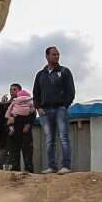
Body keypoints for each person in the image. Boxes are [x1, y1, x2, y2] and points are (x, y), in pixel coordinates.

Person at [33, 46, 76, 174]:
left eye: (58, 54)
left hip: (60, 108)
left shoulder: (64, 71)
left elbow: (71, 90)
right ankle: (52, 166)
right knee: (49, 140)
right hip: (45, 111)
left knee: (63, 137)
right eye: (54, 54)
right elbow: (36, 93)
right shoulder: (40, 75)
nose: (56, 56)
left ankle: (66, 166)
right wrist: (38, 107)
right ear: (47, 56)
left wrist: (65, 105)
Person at [6, 84, 36, 172]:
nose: (12, 92)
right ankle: (15, 171)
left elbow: (32, 114)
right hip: (13, 131)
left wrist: (28, 124)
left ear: (20, 91)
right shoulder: (9, 104)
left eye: (14, 89)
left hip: (25, 130)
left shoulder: (28, 101)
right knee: (14, 153)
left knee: (27, 152)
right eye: (10, 90)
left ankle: (28, 171)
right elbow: (5, 118)